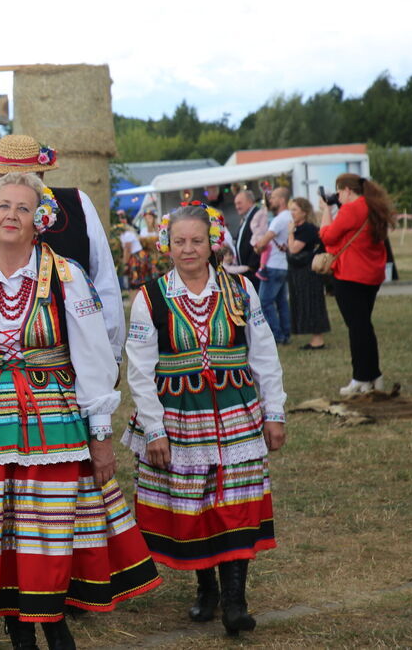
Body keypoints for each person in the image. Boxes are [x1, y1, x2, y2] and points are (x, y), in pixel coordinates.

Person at [0, 172, 161, 650]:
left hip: (53, 424)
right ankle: (18, 632)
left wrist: (100, 436)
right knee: (0, 529)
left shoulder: (66, 276)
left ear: (39, 219)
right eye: (3, 206)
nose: (11, 216)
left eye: (23, 207)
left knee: (51, 527)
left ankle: (56, 628)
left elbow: (94, 362)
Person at [123, 202, 287, 637]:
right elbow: (139, 370)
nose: (189, 249)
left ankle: (236, 601)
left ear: (213, 241)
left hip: (236, 413)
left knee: (234, 505)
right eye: (180, 241)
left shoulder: (239, 290)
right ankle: (206, 590)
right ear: (167, 244)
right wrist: (153, 429)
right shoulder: (150, 298)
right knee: (193, 504)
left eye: (197, 240)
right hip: (178, 417)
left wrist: (275, 411)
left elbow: (263, 351)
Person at [0, 134, 125, 365]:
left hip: (73, 357)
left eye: (26, 178)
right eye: (7, 179)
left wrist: (110, 351)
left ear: (41, 177)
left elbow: (104, 279)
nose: (16, 189)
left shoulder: (76, 205)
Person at [319, 174, 394, 396]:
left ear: (348, 191)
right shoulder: (372, 206)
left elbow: (328, 236)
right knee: (363, 326)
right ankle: (373, 376)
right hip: (371, 275)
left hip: (351, 275)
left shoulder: (352, 209)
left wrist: (325, 210)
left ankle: (361, 377)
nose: (338, 197)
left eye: (339, 192)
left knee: (357, 329)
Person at [286, 197, 329, 350]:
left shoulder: (307, 229)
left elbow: (294, 249)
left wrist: (290, 234)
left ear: (304, 212)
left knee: (311, 304)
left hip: (308, 273)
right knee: (305, 303)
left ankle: (318, 340)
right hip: (299, 272)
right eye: (290, 209)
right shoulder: (301, 228)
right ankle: (315, 339)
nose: (292, 213)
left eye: (295, 210)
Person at [254, 187, 292, 345]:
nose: (270, 200)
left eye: (274, 197)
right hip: (283, 265)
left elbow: (266, 239)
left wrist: (258, 247)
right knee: (281, 301)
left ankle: (276, 335)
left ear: (282, 200)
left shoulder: (279, 219)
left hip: (273, 266)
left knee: (264, 301)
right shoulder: (289, 216)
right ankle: (285, 332)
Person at [233, 190, 265, 289]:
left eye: (239, 203)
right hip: (247, 270)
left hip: (254, 270)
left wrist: (252, 265)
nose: (237, 207)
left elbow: (259, 239)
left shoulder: (257, 215)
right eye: (235, 204)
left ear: (250, 202)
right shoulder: (246, 217)